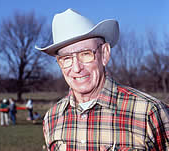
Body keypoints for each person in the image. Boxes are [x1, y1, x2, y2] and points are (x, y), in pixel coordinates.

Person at [35, 9, 169, 150]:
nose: (76, 68)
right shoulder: (52, 118)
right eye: (66, 58)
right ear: (59, 63)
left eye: (85, 54)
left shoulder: (150, 112)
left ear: (104, 54)